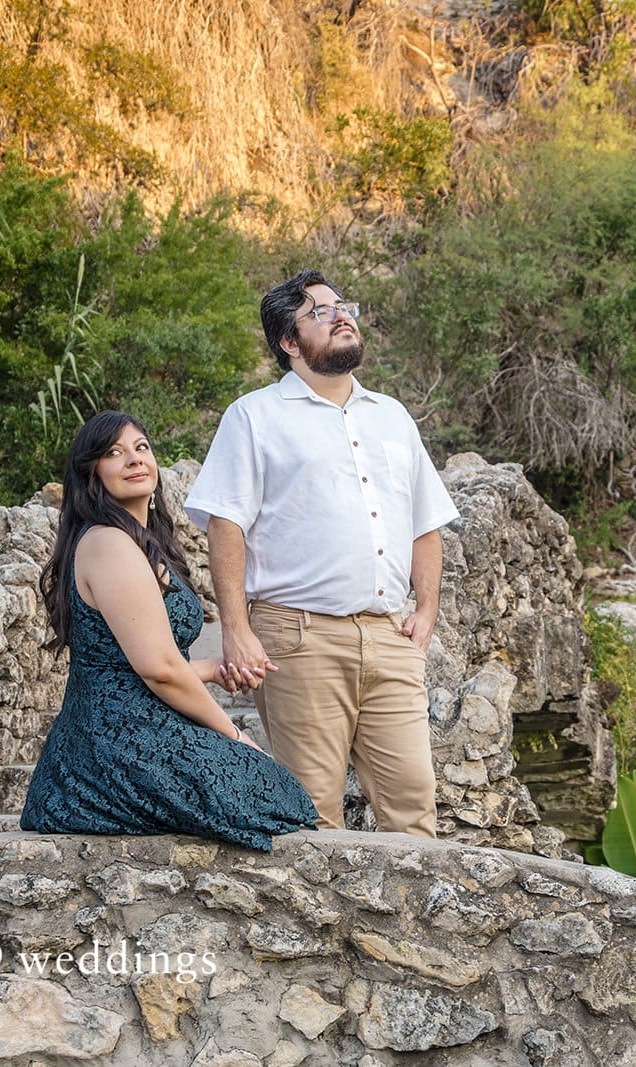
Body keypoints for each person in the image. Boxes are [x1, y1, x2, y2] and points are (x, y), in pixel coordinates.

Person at [183, 270, 459, 836]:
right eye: (321, 312)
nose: (341, 316)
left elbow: (425, 521)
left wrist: (426, 608)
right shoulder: (254, 417)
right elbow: (226, 524)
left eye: (344, 306)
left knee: (415, 814)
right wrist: (235, 629)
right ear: (289, 342)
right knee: (313, 821)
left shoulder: (392, 415)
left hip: (390, 637)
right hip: (299, 639)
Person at [20, 410, 317, 849]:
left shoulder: (140, 541)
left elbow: (129, 662)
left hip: (136, 724)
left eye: (141, 448)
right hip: (109, 743)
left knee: (271, 795)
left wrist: (212, 669)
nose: (135, 460)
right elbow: (158, 669)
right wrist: (234, 735)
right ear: (92, 474)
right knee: (262, 790)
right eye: (114, 453)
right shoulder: (108, 543)